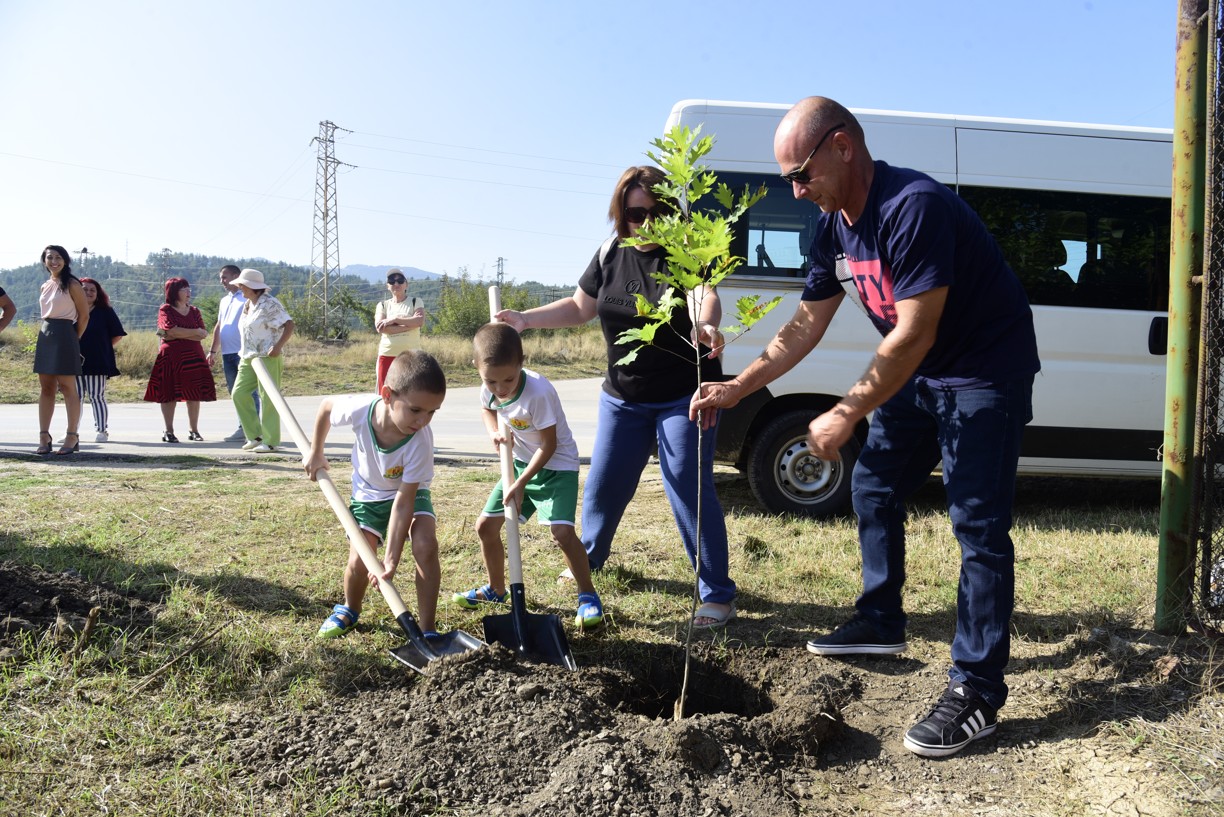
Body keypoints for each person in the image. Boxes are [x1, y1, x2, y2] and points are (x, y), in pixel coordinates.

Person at [689, 96, 1041, 758]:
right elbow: (804, 324)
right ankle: (880, 617)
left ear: (842, 146)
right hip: (925, 373)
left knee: (979, 528)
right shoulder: (831, 228)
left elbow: (913, 332)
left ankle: (977, 692)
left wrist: (848, 408)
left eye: (801, 173)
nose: (796, 190)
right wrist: (737, 386)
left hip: (983, 374)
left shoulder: (914, 208)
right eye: (788, 178)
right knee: (874, 483)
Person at [494, 165, 734, 629]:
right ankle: (591, 558)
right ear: (619, 212)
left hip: (683, 396)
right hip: (623, 396)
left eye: (653, 212)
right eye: (632, 212)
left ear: (671, 212)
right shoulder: (610, 252)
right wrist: (525, 318)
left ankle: (716, 594)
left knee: (688, 484)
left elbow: (705, 292)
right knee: (604, 484)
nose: (643, 222)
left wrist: (705, 322)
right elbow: (581, 306)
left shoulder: (687, 253)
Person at [451, 322, 603, 630]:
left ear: (522, 362)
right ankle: (495, 590)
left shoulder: (538, 392)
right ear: (477, 368)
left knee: (561, 533)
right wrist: (493, 432)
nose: (500, 388)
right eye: (491, 380)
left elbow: (549, 445)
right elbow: (487, 408)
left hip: (556, 466)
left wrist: (520, 484)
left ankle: (587, 595)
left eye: (508, 378)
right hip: (519, 462)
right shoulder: (489, 386)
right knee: (485, 528)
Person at [306, 350, 446, 640]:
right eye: (416, 410)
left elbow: (404, 502)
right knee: (360, 560)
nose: (423, 421)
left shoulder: (420, 440)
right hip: (368, 494)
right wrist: (316, 451)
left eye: (432, 412)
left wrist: (391, 560)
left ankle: (428, 628)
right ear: (387, 395)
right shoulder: (360, 410)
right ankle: (350, 608)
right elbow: (326, 407)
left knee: (425, 544)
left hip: (411, 492)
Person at [143, 277, 217, 442]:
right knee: (168, 394)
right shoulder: (166, 309)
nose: (189, 292)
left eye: (189, 288)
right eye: (185, 289)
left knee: (194, 394)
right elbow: (169, 332)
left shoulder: (195, 311)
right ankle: (169, 431)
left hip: (193, 356)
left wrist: (179, 332)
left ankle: (194, 431)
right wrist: (193, 332)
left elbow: (203, 333)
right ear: (174, 291)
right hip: (171, 357)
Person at [231, 268, 294, 453]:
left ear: (252, 287)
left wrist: (278, 347)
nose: (240, 288)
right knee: (238, 393)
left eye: (242, 285)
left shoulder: (270, 303)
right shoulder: (247, 304)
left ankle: (271, 440)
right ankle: (255, 436)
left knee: (268, 398)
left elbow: (289, 324)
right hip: (247, 356)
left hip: (267, 356)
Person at [33, 245, 89, 456]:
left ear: (65, 260)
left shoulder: (73, 284)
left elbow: (84, 316)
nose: (54, 261)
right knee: (46, 387)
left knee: (67, 387)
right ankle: (44, 436)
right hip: (45, 333)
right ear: (44, 261)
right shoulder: (45, 285)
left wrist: (74, 339)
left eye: (58, 257)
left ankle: (72, 435)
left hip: (66, 333)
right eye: (50, 257)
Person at [206, 264, 260, 442]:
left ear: (237, 276)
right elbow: (219, 326)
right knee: (235, 391)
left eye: (225, 277)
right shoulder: (224, 300)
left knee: (248, 391)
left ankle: (252, 429)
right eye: (221, 278)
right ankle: (243, 426)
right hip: (227, 353)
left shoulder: (247, 297)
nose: (222, 281)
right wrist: (213, 351)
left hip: (243, 352)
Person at [76, 278, 127, 442]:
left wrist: (102, 346)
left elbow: (118, 334)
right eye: (84, 289)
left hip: (98, 360)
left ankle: (102, 430)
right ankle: (72, 432)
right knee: (74, 397)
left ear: (98, 294)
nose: (88, 293)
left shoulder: (105, 311)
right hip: (73, 360)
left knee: (96, 396)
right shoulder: (71, 310)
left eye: (92, 290)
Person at [373, 268, 425, 392]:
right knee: (384, 393)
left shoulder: (415, 302)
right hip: (387, 355)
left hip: (411, 356)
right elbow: (381, 328)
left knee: (411, 392)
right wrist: (409, 324)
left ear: (406, 284)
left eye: (400, 280)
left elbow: (419, 321)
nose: (396, 284)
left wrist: (393, 320)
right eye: (392, 281)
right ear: (387, 286)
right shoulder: (382, 305)